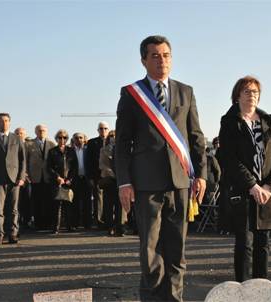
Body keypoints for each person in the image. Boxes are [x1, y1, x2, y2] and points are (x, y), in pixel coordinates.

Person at [115, 35, 207, 301]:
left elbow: (196, 136)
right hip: (146, 185)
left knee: (177, 253)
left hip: (180, 183)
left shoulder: (185, 91)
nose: (161, 61)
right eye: (154, 56)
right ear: (143, 60)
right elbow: (122, 143)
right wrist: (124, 182)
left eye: (166, 55)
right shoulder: (132, 94)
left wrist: (200, 174)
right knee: (151, 253)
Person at [219, 76, 271, 282]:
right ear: (237, 96)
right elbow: (229, 159)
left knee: (263, 244)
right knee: (244, 244)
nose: (252, 95)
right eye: (247, 91)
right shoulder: (229, 122)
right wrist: (252, 185)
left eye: (255, 92)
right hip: (244, 192)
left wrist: (268, 186)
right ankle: (244, 289)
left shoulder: (268, 120)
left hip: (267, 194)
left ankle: (262, 288)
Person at [0, 113, 26, 245]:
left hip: (14, 179)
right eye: (1, 121)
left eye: (6, 121)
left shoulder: (17, 138)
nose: (4, 123)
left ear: (10, 122)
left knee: (14, 209)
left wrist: (21, 177)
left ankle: (13, 234)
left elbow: (23, 160)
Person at [47, 129, 78, 234]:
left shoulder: (71, 151)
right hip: (56, 182)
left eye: (64, 137)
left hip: (68, 182)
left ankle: (70, 226)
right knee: (56, 205)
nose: (62, 139)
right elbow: (49, 167)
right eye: (60, 137)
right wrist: (57, 177)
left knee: (68, 204)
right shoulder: (52, 151)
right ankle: (56, 227)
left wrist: (70, 179)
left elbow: (75, 167)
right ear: (56, 139)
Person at [26, 124, 56, 230]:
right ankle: (38, 223)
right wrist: (26, 174)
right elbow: (25, 160)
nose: (41, 132)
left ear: (46, 132)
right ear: (35, 132)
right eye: (39, 130)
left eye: (43, 130)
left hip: (48, 177)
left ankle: (48, 222)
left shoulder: (52, 144)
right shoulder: (29, 144)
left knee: (48, 200)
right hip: (35, 177)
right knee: (36, 201)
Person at [99, 130, 127, 236]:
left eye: (115, 135)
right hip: (110, 181)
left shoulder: (122, 149)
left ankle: (121, 227)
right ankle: (110, 227)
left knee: (121, 205)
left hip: (121, 181)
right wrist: (113, 173)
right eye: (111, 136)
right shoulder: (103, 150)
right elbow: (102, 165)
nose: (113, 137)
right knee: (109, 205)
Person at [86, 121, 109, 228]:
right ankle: (99, 221)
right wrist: (90, 177)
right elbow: (88, 161)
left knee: (109, 198)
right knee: (98, 199)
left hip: (110, 176)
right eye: (101, 129)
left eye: (105, 128)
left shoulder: (113, 141)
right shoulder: (91, 143)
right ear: (97, 130)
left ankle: (109, 220)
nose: (103, 131)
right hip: (96, 175)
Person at [72, 132, 92, 229]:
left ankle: (87, 224)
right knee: (75, 202)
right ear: (73, 140)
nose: (78, 139)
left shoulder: (88, 150)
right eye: (76, 138)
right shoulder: (70, 151)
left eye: (80, 137)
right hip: (75, 179)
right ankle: (75, 223)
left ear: (84, 139)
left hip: (86, 178)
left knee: (87, 202)